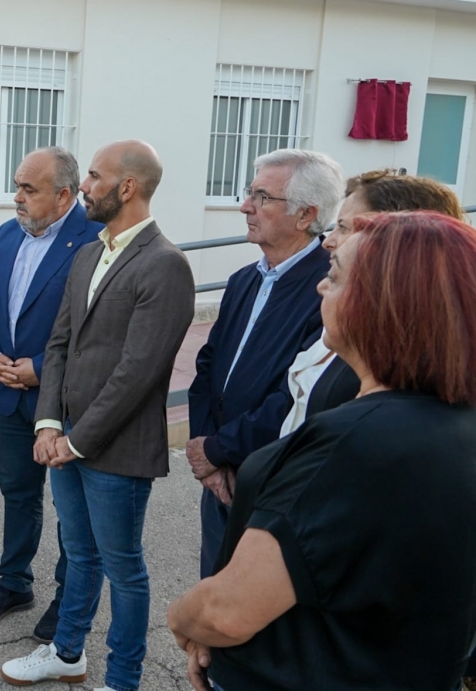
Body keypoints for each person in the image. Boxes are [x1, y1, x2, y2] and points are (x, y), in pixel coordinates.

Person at [168, 211, 476, 691]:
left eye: (334, 277)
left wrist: (185, 620)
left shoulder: (356, 440)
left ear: (385, 303)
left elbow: (226, 612)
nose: (319, 289)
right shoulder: (452, 419)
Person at [0, 141, 195, 690]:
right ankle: (67, 653)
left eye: (93, 176)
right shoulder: (90, 252)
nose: (84, 185)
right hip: (67, 442)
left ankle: (124, 679)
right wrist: (47, 424)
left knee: (123, 568)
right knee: (79, 556)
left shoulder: (165, 264)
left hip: (116, 449)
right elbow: (59, 344)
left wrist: (76, 440)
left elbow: (139, 372)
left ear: (127, 187)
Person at [185, 149, 343, 577]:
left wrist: (219, 449)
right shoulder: (244, 280)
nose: (245, 206)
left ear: (305, 214)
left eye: (261, 196)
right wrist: (205, 450)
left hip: (272, 478)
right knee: (213, 597)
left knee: (253, 613)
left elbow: (298, 396)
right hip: (220, 476)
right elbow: (208, 366)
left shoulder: (328, 290)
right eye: (248, 192)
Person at [0, 147, 103, 641]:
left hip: (65, 400)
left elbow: (99, 333)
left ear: (64, 195)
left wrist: (41, 369)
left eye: (29, 189)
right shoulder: (7, 235)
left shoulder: (95, 241)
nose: (16, 198)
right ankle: (14, 583)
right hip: (9, 393)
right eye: (17, 186)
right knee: (18, 493)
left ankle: (68, 597)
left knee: (73, 509)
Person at [277, 169, 465, 437]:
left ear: (396, 238)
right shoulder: (349, 315)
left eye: (343, 227)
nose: (328, 241)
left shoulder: (407, 349)